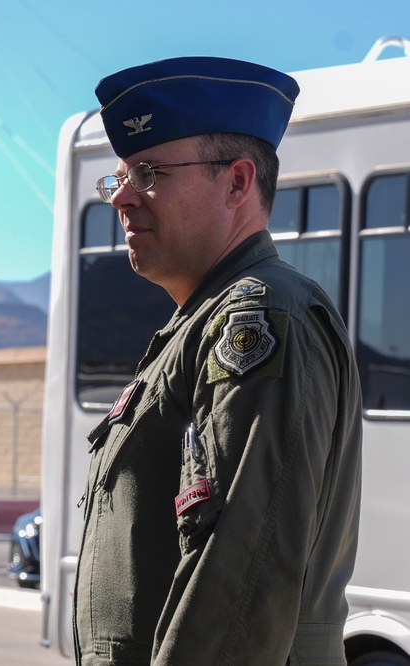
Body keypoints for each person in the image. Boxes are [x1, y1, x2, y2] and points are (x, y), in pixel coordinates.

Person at [73, 58, 362, 664]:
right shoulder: (197, 323)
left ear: (236, 183)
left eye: (148, 173)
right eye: (119, 176)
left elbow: (240, 573)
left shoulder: (257, 315)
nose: (121, 198)